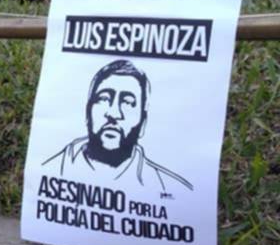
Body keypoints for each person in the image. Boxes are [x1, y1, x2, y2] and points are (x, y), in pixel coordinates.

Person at [43, 59, 193, 193]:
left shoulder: (173, 190)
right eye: (104, 99)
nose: (113, 114)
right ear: (87, 113)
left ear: (143, 123)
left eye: (127, 102)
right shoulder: (46, 170)